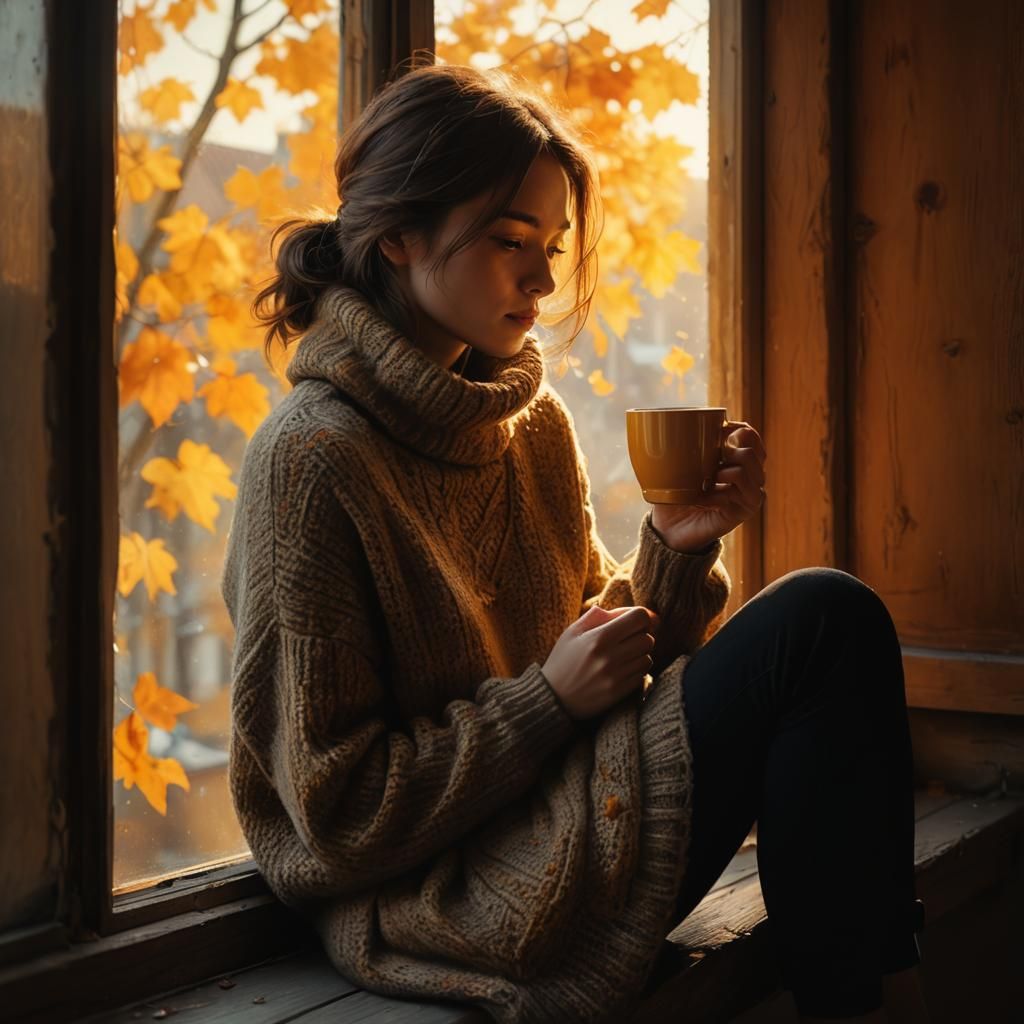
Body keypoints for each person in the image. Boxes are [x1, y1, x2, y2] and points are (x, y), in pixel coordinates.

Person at [221, 62, 928, 1024]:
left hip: (579, 808)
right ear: (395, 237)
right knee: (820, 620)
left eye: (552, 244)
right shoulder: (310, 461)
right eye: (512, 241)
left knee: (825, 618)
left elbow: (610, 670)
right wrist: (545, 701)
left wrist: (676, 552)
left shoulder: (530, 424)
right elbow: (337, 820)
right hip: (455, 895)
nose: (545, 279)